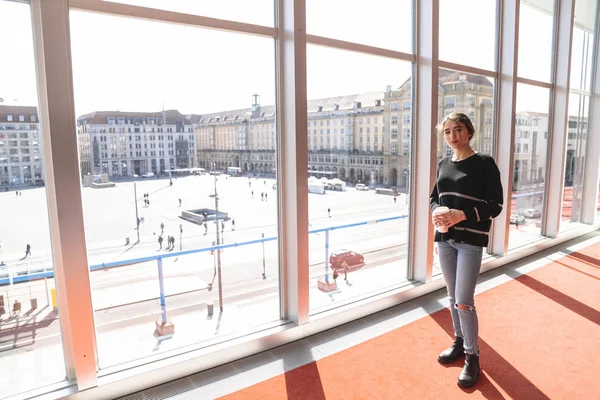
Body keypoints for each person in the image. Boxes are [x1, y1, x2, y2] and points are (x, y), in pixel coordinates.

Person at [429, 112, 503, 389]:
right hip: (444, 239)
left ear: (469, 132)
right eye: (447, 132)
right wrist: (437, 212)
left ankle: (473, 356)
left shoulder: (484, 163)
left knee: (464, 301)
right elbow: (434, 197)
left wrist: (462, 215)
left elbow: (495, 205)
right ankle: (460, 342)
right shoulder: (443, 164)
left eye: (457, 130)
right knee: (451, 296)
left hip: (470, 240)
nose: (452, 136)